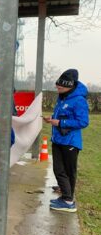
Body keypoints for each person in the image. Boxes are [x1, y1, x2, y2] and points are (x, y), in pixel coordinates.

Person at [43, 69, 89, 213]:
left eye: (60, 87)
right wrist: (52, 119)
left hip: (70, 142)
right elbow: (62, 115)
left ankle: (68, 201)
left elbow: (83, 122)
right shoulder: (62, 97)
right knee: (58, 170)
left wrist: (60, 123)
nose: (58, 89)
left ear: (69, 85)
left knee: (68, 171)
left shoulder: (79, 100)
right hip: (58, 140)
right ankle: (65, 196)